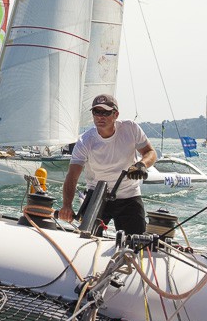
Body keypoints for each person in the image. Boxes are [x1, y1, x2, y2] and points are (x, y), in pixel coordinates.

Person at [58, 94, 157, 236]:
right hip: (97, 195)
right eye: (96, 112)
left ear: (116, 114)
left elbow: (150, 152)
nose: (100, 117)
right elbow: (72, 176)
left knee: (136, 245)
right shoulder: (84, 141)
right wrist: (66, 206)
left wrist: (142, 164)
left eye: (105, 112)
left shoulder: (131, 128)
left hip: (129, 195)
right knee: (86, 239)